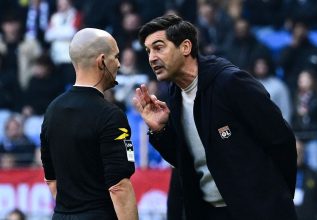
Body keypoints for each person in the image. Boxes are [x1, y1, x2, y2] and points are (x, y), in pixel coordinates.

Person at [133, 14, 297, 220]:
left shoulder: (230, 82)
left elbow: (281, 140)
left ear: (185, 47)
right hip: (209, 213)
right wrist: (160, 130)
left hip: (256, 211)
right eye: (148, 51)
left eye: (158, 47)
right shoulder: (174, 95)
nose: (151, 58)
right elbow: (183, 161)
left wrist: (277, 198)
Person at [40, 28, 138, 220]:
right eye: (115, 57)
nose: (118, 64)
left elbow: (51, 180)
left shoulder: (52, 110)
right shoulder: (112, 116)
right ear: (102, 61)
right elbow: (119, 187)